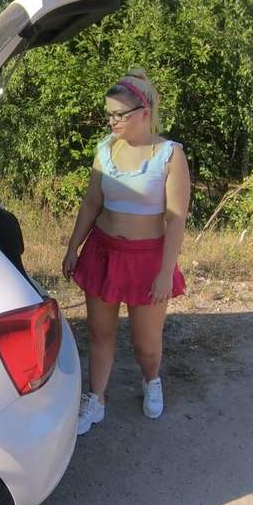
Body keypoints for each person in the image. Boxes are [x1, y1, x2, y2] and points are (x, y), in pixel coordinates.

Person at [62, 69, 190, 435]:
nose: (112, 121)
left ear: (144, 111)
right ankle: (96, 399)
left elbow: (176, 219)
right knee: (100, 334)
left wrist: (165, 272)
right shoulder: (105, 150)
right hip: (103, 254)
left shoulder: (169, 155)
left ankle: (151, 380)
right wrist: (74, 246)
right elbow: (91, 203)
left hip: (148, 262)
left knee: (145, 343)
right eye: (109, 114)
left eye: (119, 114)